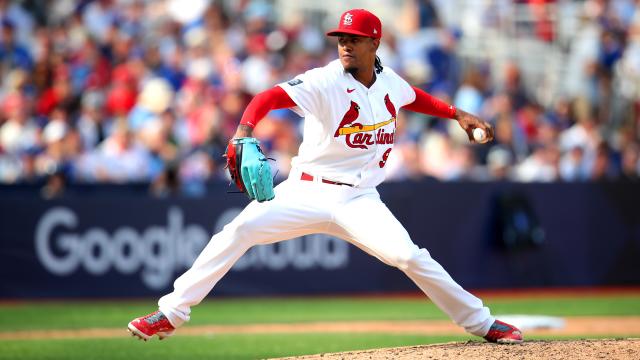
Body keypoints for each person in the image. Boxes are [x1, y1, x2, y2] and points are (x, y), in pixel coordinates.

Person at [127, 9, 523, 344]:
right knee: (236, 232)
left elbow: (416, 97)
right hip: (306, 190)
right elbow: (267, 98)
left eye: (355, 38)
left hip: (360, 199)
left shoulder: (388, 82)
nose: (346, 44)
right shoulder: (324, 81)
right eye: (341, 38)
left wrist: (457, 114)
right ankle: (172, 313)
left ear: (375, 44)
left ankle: (481, 323)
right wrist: (243, 131)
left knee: (408, 256)